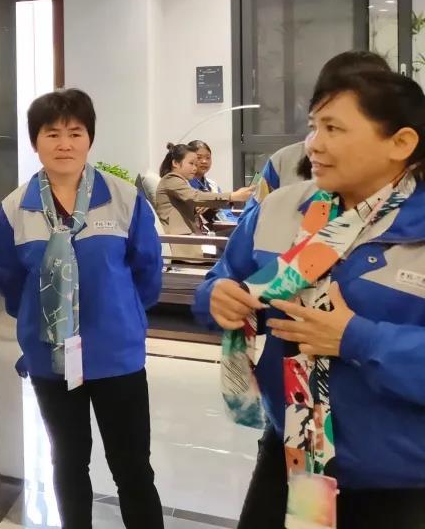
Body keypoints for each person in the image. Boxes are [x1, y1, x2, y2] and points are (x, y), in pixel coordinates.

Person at [194, 65, 425, 528]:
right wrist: (215, 296)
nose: (313, 145)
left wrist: (355, 338)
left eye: (334, 128)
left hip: (398, 480)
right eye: (313, 126)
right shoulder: (281, 208)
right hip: (292, 457)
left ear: (400, 143)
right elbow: (223, 279)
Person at [0, 88, 165, 529]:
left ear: (90, 138)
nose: (64, 144)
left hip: (115, 356)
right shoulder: (15, 209)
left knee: (132, 467)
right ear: (35, 142)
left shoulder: (124, 198)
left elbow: (147, 272)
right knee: (68, 464)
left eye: (75, 133)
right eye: (52, 134)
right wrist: (46, 321)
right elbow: (9, 281)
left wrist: (122, 315)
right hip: (51, 360)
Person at [246, 52, 393, 210]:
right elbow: (252, 218)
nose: (315, 145)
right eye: (316, 126)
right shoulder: (282, 162)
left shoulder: (401, 186)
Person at [155, 143, 254, 259]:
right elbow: (195, 196)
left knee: (243, 233)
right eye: (191, 163)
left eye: (195, 164)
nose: (194, 168)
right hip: (188, 244)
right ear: (175, 163)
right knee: (243, 237)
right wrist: (232, 196)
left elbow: (196, 202)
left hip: (197, 238)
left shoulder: (181, 182)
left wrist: (210, 206)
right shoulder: (171, 180)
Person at [188, 139, 236, 225]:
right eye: (199, 158)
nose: (204, 161)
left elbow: (225, 211)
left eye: (208, 158)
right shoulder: (184, 185)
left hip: (224, 225)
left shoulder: (212, 184)